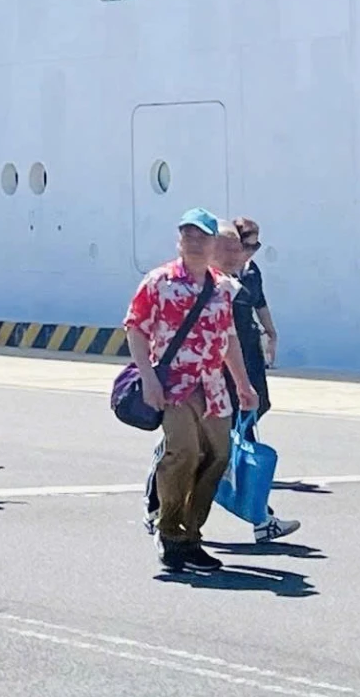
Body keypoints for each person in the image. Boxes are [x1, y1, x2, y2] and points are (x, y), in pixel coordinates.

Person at [123, 208, 258, 573]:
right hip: (175, 386)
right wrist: (148, 378)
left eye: (202, 237)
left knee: (218, 456)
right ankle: (169, 532)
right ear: (179, 241)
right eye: (188, 236)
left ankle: (190, 533)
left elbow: (228, 337)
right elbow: (135, 329)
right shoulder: (159, 281)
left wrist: (243, 384)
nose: (195, 242)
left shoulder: (222, 287)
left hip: (214, 386)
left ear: (214, 243)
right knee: (183, 451)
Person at [213, 220, 299, 543]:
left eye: (251, 248)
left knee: (243, 433)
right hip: (218, 372)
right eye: (243, 246)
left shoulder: (248, 274)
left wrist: (271, 332)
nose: (246, 253)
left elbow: (258, 304)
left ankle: (260, 517)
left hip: (246, 359)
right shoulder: (211, 283)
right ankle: (161, 509)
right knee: (193, 446)